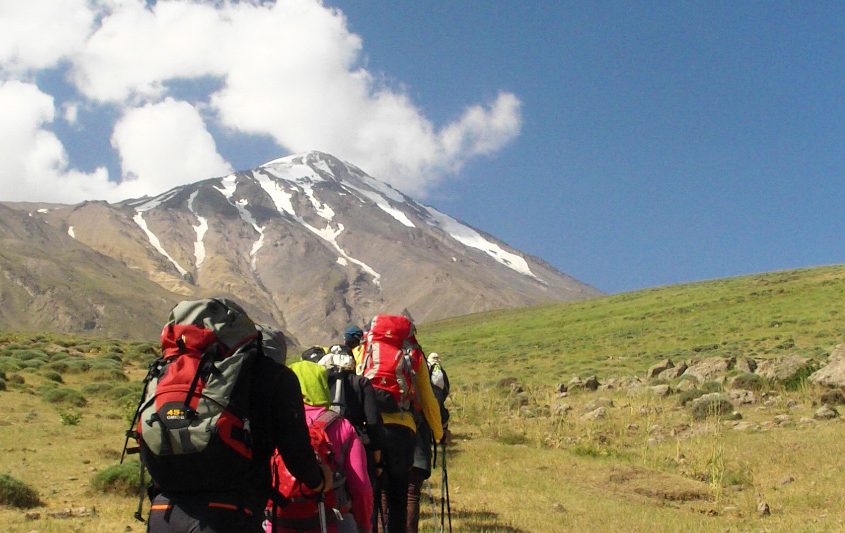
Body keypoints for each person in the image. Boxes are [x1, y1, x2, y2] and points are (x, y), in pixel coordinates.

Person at [143, 299, 331, 533]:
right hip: (230, 514)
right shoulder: (272, 376)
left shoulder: (166, 372)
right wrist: (319, 481)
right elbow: (296, 452)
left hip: (164, 512)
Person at [267, 360, 373, 533]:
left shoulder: (274, 421)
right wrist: (364, 526)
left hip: (278, 521)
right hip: (329, 521)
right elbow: (361, 488)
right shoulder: (341, 425)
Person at [360, 315, 443, 533]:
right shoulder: (413, 355)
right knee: (399, 499)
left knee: (373, 497)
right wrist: (438, 432)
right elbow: (427, 397)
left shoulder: (365, 351)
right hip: (402, 432)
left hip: (370, 428)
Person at [406, 355, 450, 533]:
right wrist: (440, 433)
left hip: (384, 437)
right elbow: (433, 405)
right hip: (417, 440)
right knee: (411, 495)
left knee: (385, 496)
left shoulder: (373, 356)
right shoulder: (418, 362)